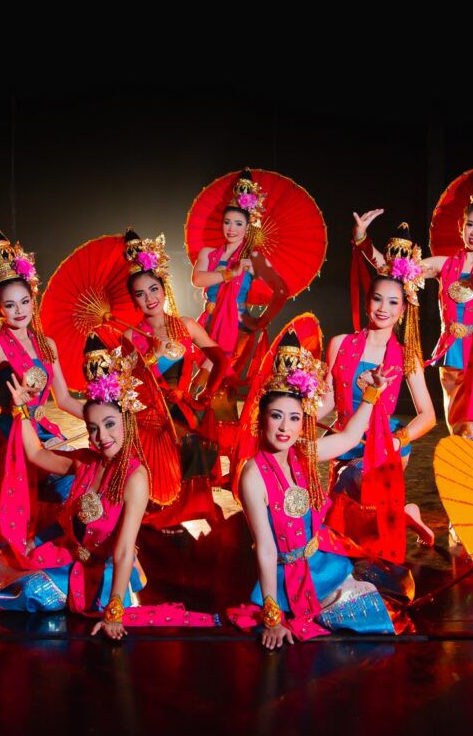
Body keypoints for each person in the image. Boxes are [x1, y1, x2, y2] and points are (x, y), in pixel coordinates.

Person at [0, 336, 219, 637]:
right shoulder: (86, 462)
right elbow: (37, 455)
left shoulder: (135, 478)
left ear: (126, 421)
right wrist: (22, 411)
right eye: (93, 429)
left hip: (104, 573)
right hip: (70, 556)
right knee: (6, 564)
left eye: (109, 424)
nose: (101, 436)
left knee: (34, 591)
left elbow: (123, 550)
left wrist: (114, 614)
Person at [230, 331, 404, 648]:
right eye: (276, 416)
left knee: (388, 594)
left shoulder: (302, 452)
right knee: (372, 621)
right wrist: (273, 619)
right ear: (262, 419)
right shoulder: (253, 475)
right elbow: (266, 549)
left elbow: (349, 438)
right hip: (287, 579)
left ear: (303, 423)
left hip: (321, 562)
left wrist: (371, 394)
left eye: (294, 418)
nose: (285, 427)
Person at [356, 159, 473, 458]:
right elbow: (393, 272)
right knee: (460, 437)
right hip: (453, 358)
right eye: (470, 224)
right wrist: (362, 239)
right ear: (461, 226)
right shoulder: (443, 265)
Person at [322, 218, 438, 558]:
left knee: (357, 485)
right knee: (342, 524)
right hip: (345, 442)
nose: (383, 309)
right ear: (367, 301)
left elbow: (428, 415)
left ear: (403, 309)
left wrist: (398, 440)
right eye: (377, 299)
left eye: (392, 303)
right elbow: (327, 401)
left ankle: (398, 513)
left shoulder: (406, 355)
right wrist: (294, 418)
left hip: (385, 446)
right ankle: (405, 513)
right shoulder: (340, 344)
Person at [0, 228, 84, 553]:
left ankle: (51, 547)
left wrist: (105, 415)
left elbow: (64, 399)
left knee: (80, 480)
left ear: (33, 300)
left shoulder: (47, 344)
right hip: (9, 433)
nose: (19, 310)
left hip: (41, 431)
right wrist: (6, 448)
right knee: (67, 480)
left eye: (24, 302)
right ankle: (30, 548)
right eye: (10, 305)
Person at [118, 229, 228, 525]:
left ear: (164, 287)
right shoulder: (129, 337)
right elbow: (125, 389)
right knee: (175, 447)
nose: (149, 298)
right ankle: (161, 516)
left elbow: (221, 360)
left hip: (184, 409)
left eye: (153, 289)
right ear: (134, 301)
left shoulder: (186, 326)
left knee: (194, 444)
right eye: (140, 294)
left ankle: (189, 513)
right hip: (150, 417)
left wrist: (207, 393)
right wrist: (152, 357)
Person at [191, 169, 288, 390]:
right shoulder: (208, 253)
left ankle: (200, 397)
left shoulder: (253, 258)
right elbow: (198, 279)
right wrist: (230, 274)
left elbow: (282, 291)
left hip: (236, 327)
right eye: (227, 222)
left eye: (238, 223)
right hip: (207, 321)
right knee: (200, 375)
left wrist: (262, 320)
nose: (231, 229)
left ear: (247, 227)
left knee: (213, 384)